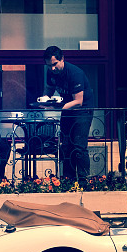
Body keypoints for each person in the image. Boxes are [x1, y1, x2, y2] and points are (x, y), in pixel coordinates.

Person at [42, 46, 94, 182]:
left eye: (55, 64)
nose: (52, 68)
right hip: (66, 109)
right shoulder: (51, 72)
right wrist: (44, 101)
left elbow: (78, 101)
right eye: (49, 65)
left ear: (62, 59)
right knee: (65, 145)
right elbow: (48, 90)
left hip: (82, 110)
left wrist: (56, 107)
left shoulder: (74, 73)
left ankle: (84, 181)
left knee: (78, 145)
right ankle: (67, 180)